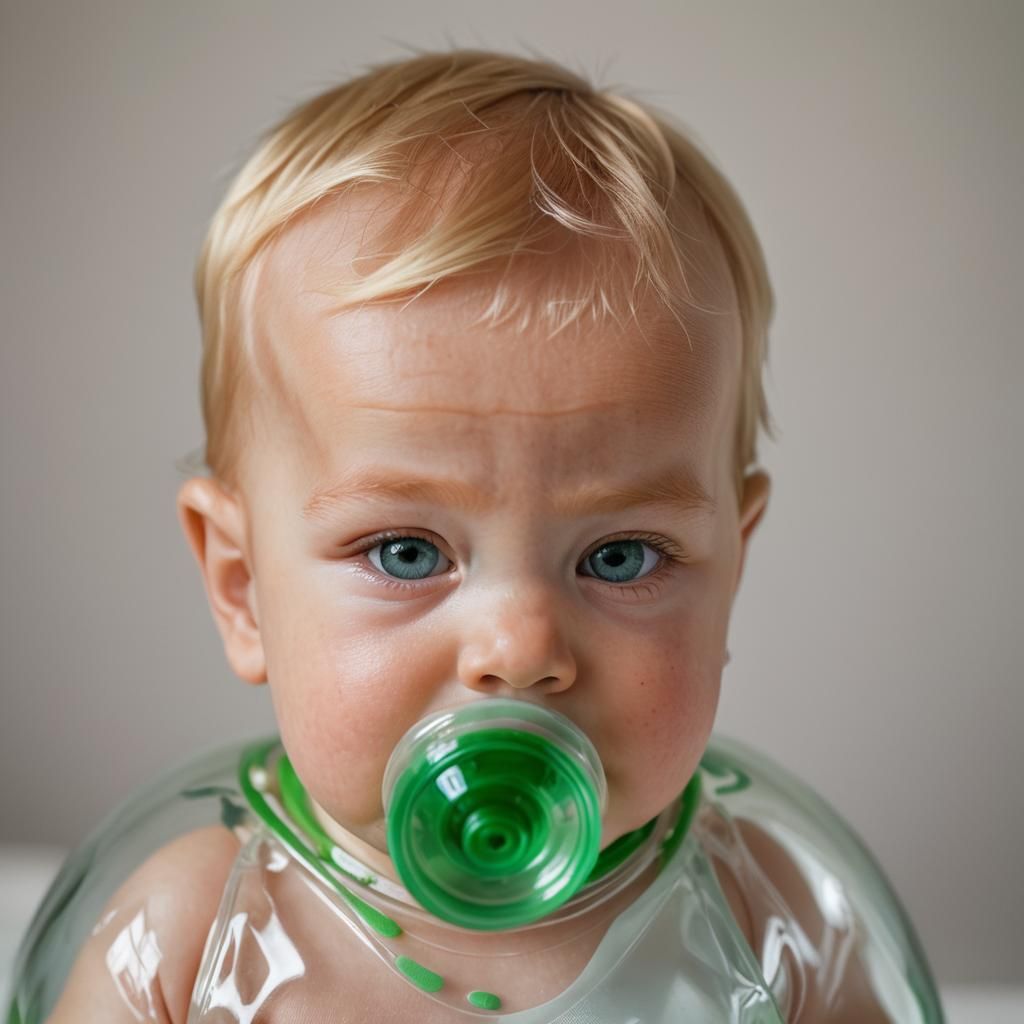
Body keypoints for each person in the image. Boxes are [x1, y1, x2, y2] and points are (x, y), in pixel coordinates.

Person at [8, 50, 944, 1023]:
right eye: (404, 552)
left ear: (730, 574)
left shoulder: (771, 919)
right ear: (242, 587)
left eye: (619, 556)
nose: (521, 649)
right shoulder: (195, 933)